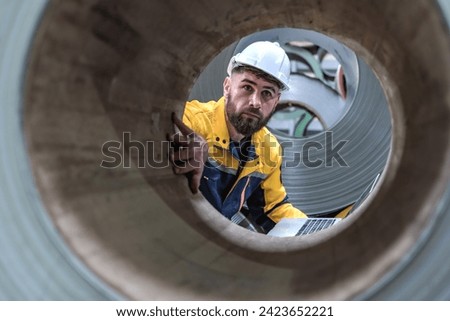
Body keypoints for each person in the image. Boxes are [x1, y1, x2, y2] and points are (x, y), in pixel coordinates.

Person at [169, 41, 307, 233]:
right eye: (247, 87)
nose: (255, 102)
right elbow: (163, 130)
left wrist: (315, 228)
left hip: (216, 237)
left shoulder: (270, 149)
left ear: (276, 102)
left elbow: (273, 209)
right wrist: (186, 145)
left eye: (267, 93)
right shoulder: (194, 120)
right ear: (227, 87)